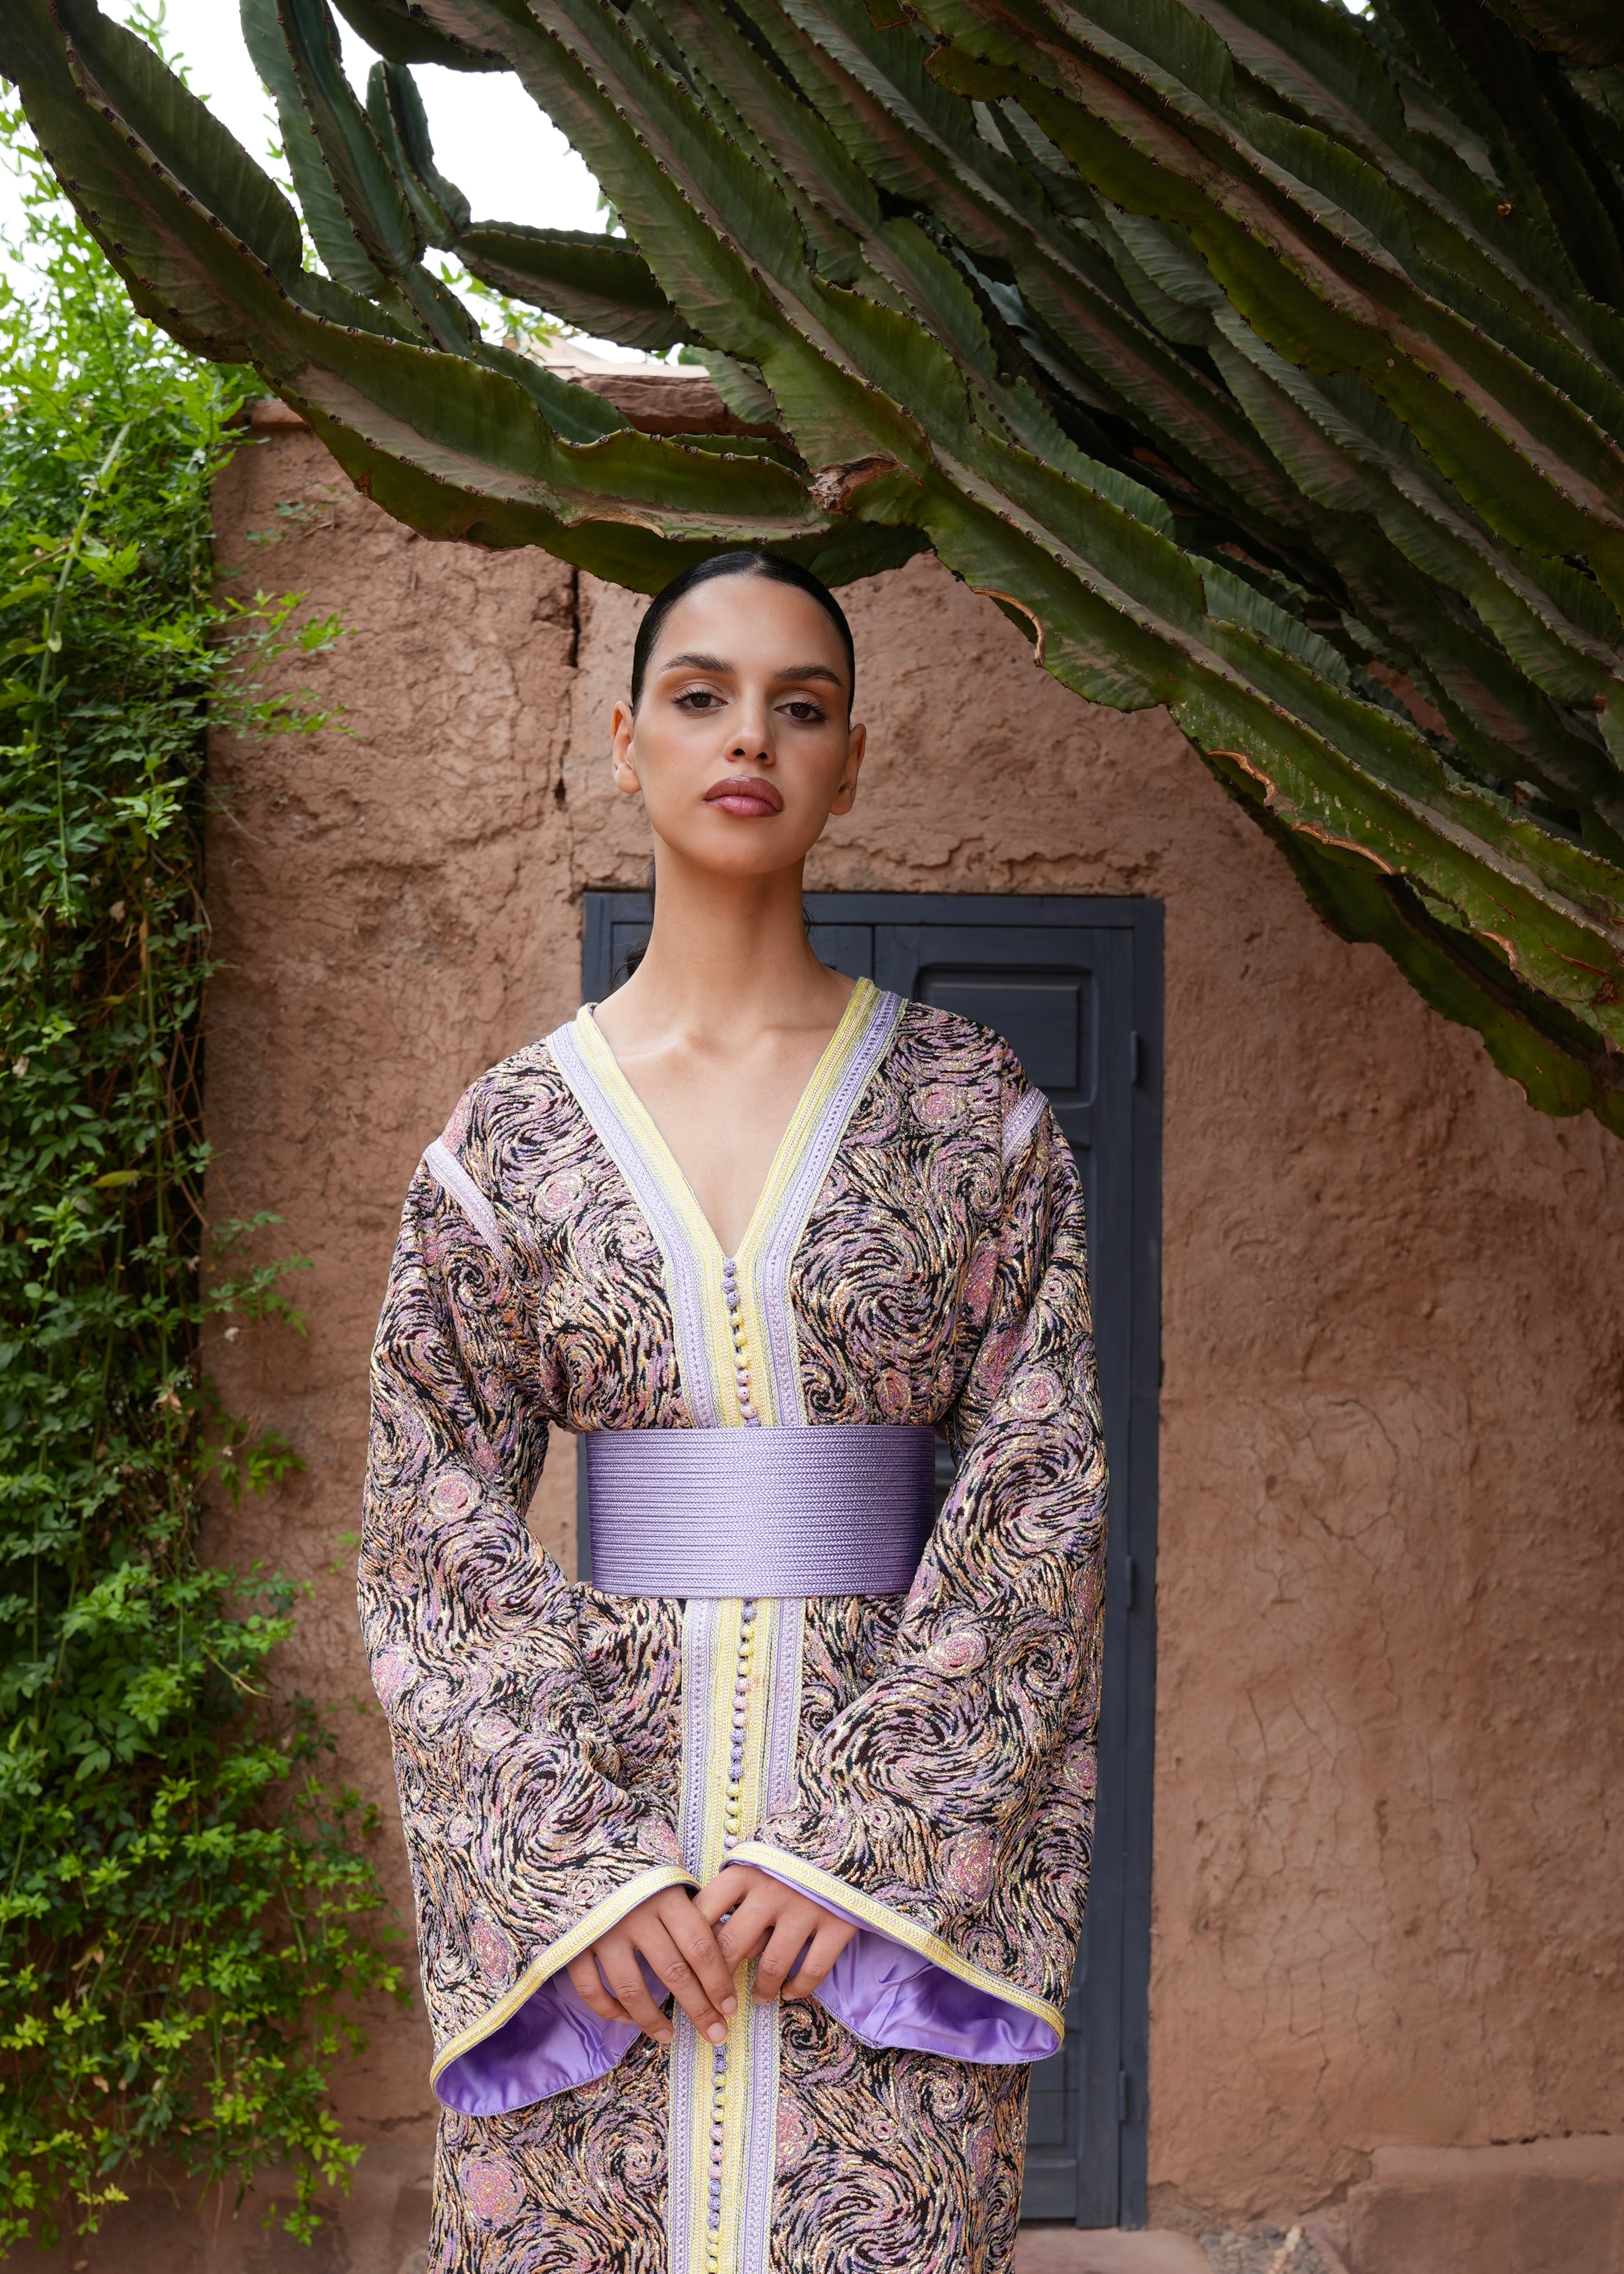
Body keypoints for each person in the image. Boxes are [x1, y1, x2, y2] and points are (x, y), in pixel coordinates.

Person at [360, 549, 1107, 2274]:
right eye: (700, 697)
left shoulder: (969, 1113)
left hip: (877, 1899)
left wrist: (865, 1851)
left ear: (852, 759)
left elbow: (1041, 1491)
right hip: (607, 1890)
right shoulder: (512, 1138)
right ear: (628, 744)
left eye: (802, 704)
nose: (747, 737)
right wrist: (583, 1874)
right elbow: (427, 1527)